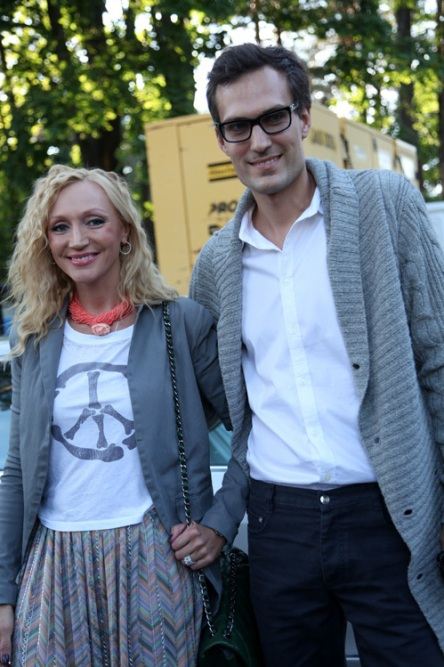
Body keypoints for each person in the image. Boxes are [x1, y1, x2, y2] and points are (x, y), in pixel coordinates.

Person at [190, 42, 444, 666]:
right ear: (222, 139)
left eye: (274, 117)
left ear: (303, 117)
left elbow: (438, 359)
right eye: (238, 127)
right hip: (278, 524)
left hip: (391, 510)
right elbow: (208, 402)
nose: (259, 142)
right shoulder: (217, 264)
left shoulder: (385, 205)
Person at [0, 165, 246, 666]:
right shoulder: (33, 339)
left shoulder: (181, 323)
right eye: (60, 227)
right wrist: (3, 592)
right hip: (52, 562)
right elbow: (18, 472)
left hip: (157, 556)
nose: (77, 240)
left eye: (94, 221)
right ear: (45, 242)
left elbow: (251, 429)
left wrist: (220, 523)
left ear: (125, 232)